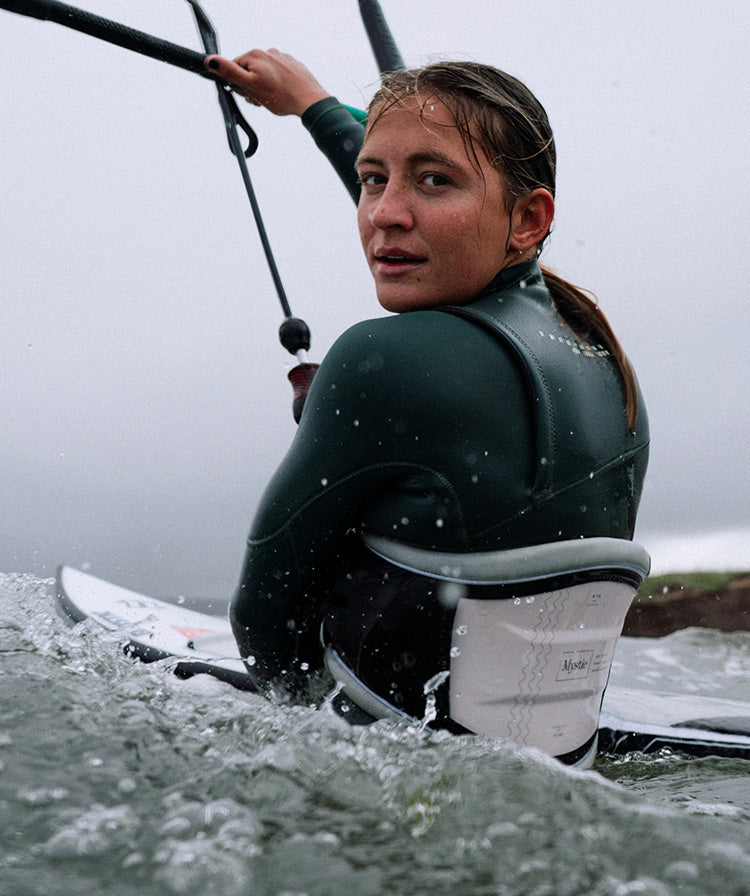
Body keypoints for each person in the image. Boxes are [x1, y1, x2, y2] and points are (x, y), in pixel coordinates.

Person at [205, 50, 650, 748]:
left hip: (378, 760)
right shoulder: (603, 362)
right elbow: (421, 209)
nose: (384, 214)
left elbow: (262, 619)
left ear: (528, 219)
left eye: (435, 180)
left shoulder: (385, 361)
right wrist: (312, 104)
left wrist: (290, 717)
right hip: (565, 752)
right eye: (371, 179)